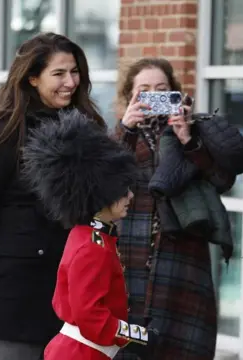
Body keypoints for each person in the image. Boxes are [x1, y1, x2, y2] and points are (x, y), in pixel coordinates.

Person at [0, 32, 106, 360]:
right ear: (32, 78)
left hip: (76, 288)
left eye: (75, 72)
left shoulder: (89, 128)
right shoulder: (1, 133)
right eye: (59, 73)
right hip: (15, 291)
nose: (71, 81)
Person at [112, 57, 243, 359]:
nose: (153, 96)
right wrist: (127, 127)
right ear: (129, 95)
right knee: (127, 345)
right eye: (144, 90)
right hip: (129, 255)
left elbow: (221, 180)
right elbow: (103, 181)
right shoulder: (119, 136)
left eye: (162, 89)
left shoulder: (194, 131)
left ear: (174, 92)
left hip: (182, 257)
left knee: (181, 346)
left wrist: (187, 139)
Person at [21, 109, 155, 360]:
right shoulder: (92, 247)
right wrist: (139, 335)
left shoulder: (90, 236)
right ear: (103, 194)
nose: (130, 197)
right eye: (124, 190)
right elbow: (90, 315)